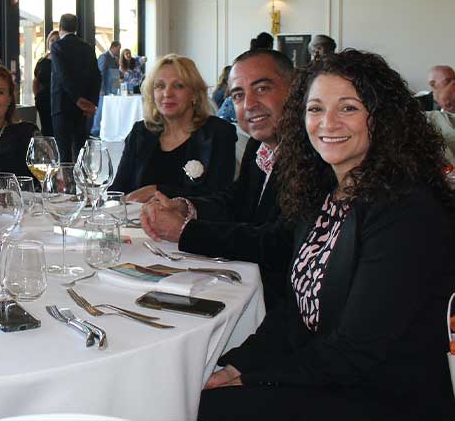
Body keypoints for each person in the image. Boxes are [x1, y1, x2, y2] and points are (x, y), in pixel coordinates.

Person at [198, 50, 455, 420]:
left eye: (348, 108)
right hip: (331, 375)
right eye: (315, 109)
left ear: (382, 118)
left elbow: (356, 350)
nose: (327, 123)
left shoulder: (406, 211)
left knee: (199, 409)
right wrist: (237, 365)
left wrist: (253, 379)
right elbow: (294, 312)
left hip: (385, 397)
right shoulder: (322, 195)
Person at [140, 49, 295, 310]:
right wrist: (185, 207)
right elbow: (235, 201)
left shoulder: (312, 156)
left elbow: (278, 243)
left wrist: (185, 231)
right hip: (252, 285)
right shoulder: (259, 145)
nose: (249, 104)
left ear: (294, 91)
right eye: (238, 95)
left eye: (262, 89)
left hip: (284, 303)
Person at [110, 54, 236, 202]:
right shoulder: (140, 132)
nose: (167, 93)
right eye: (160, 86)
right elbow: (118, 189)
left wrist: (157, 190)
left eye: (178, 86)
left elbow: (218, 197)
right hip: (135, 217)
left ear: (194, 94)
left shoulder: (218, 133)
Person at [50, 13, 101, 162]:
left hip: (62, 106)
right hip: (83, 109)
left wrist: (77, 99)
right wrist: (92, 103)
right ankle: (81, 176)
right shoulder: (88, 48)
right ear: (76, 28)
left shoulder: (57, 47)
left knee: (63, 151)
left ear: (60, 27)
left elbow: (63, 76)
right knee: (80, 149)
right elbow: (97, 76)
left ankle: (66, 177)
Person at [91, 41, 121, 136]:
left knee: (109, 111)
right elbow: (100, 74)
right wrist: (101, 89)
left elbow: (116, 74)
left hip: (113, 90)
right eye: (118, 49)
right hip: (104, 91)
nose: (119, 51)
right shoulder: (104, 57)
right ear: (113, 47)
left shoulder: (115, 59)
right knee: (100, 111)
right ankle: (95, 131)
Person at [33, 30, 59, 137]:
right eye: (52, 40)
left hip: (58, 99)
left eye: (57, 40)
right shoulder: (42, 61)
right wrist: (37, 97)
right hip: (44, 100)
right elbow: (36, 81)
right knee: (46, 128)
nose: (54, 42)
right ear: (48, 43)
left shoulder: (63, 60)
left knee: (57, 128)